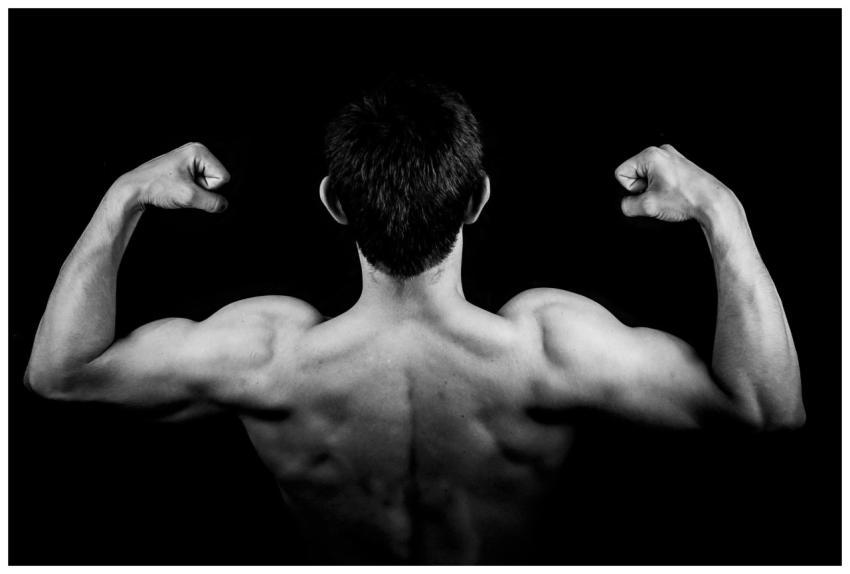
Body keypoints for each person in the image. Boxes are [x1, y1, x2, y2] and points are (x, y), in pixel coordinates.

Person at [25, 80, 804, 564]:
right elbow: (768, 409)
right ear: (479, 200)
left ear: (333, 202)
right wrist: (718, 209)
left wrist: (123, 194)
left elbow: (58, 373)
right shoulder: (550, 349)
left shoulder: (267, 355)